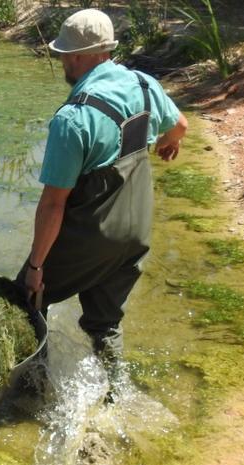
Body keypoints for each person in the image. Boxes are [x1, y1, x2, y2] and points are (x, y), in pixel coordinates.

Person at [19, 9, 188, 377]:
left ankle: (30, 395)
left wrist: (35, 267)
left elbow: (53, 204)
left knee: (26, 301)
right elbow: (180, 125)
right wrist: (167, 144)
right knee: (105, 322)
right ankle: (113, 393)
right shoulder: (144, 85)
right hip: (135, 236)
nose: (62, 60)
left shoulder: (73, 118)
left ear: (77, 56)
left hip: (93, 235)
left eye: (63, 53)